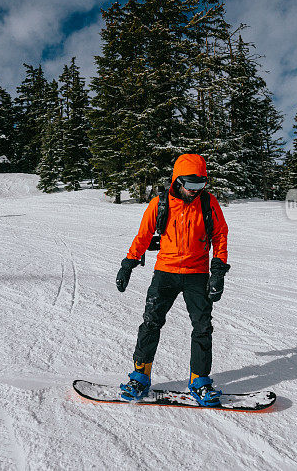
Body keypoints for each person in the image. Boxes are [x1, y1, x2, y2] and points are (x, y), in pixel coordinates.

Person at [115, 153, 230, 407]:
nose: (195, 191)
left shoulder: (208, 203)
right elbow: (144, 235)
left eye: (200, 185)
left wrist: (218, 270)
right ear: (178, 181)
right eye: (191, 186)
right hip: (165, 272)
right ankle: (140, 377)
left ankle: (200, 380)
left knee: (202, 327)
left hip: (197, 274)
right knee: (150, 322)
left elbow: (220, 235)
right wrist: (129, 262)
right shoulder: (161, 203)